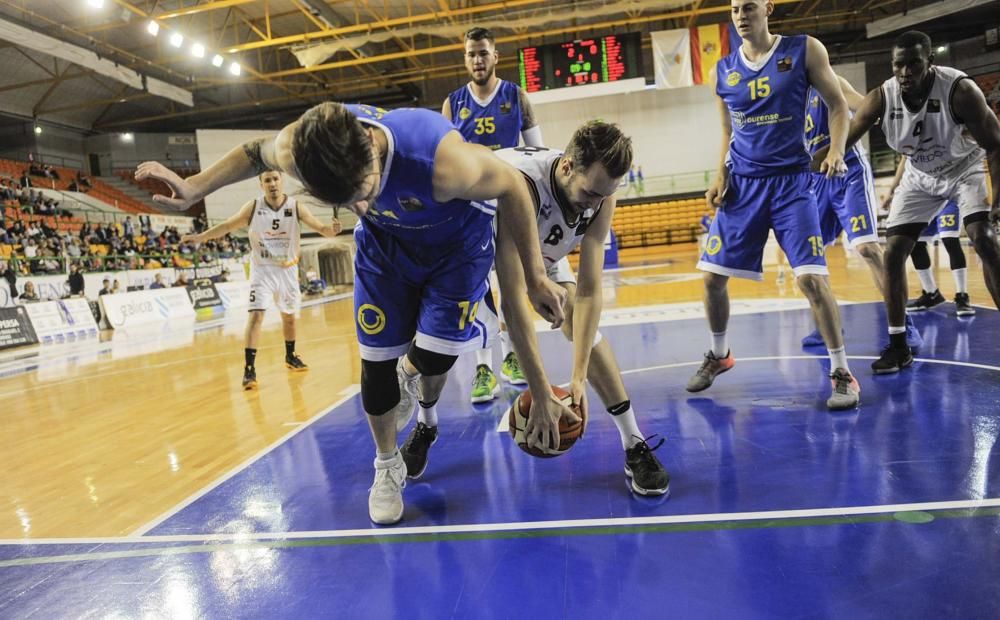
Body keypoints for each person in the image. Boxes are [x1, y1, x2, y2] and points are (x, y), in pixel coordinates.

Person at [137, 101, 567, 525]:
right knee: (375, 366)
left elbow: (511, 184)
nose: (362, 202)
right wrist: (194, 186)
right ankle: (386, 465)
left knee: (438, 354)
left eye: (365, 191)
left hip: (456, 244)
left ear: (371, 145)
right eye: (349, 201)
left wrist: (534, 275)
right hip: (384, 243)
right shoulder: (297, 147)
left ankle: (410, 374)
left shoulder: (440, 159)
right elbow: (255, 152)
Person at [401, 122, 670, 495]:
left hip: (541, 248)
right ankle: (426, 424)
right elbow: (514, 301)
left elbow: (590, 291)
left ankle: (633, 442)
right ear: (566, 168)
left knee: (579, 319)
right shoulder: (521, 188)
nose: (594, 205)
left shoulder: (601, 192)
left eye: (603, 196)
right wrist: (541, 393)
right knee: (441, 349)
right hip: (473, 250)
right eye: (590, 193)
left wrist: (577, 379)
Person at [688, 0, 860, 410]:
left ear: (767, 8)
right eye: (733, 10)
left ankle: (842, 373)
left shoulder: (804, 49)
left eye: (748, 7)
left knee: (811, 280)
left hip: (792, 184)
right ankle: (719, 354)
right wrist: (719, 174)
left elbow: (838, 106)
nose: (740, 16)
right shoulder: (723, 70)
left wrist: (836, 150)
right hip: (743, 186)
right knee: (712, 278)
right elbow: (727, 132)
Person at [823, 30, 1000, 373]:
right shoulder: (881, 98)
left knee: (984, 239)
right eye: (898, 65)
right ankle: (899, 345)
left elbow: (995, 144)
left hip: (964, 169)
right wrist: (792, 163)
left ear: (930, 62)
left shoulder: (959, 91)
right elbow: (841, 144)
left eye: (913, 64)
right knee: (892, 254)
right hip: (920, 177)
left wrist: (999, 202)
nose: (905, 72)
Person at [442, 26, 544, 403]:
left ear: (495, 55)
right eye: (471, 54)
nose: (477, 60)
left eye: (483, 52)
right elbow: (448, 160)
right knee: (478, 289)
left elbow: (538, 154)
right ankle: (484, 366)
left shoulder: (517, 96)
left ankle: (514, 357)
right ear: (465, 58)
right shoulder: (453, 103)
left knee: (513, 286)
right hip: (470, 211)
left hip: (509, 204)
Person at [181, 170, 341, 390]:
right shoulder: (253, 207)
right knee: (256, 316)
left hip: (288, 270)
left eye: (276, 179)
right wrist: (200, 237)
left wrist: (331, 230)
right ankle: (249, 369)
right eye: (268, 180)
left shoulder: (295, 207)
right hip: (262, 271)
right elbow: (227, 226)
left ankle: (290, 355)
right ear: (261, 185)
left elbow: (321, 229)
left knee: (289, 318)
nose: (272, 183)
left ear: (282, 181)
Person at [802, 76, 922, 349]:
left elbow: (866, 105)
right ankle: (825, 325)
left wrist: (896, 115)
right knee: (809, 256)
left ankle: (905, 326)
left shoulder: (827, 81)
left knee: (868, 249)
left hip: (848, 171)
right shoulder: (782, 99)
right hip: (814, 179)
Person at [883, 158, 974, 316]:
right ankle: (932, 293)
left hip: (948, 192)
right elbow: (904, 159)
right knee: (916, 243)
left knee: (949, 240)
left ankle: (962, 296)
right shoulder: (909, 137)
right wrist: (892, 190)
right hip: (924, 193)